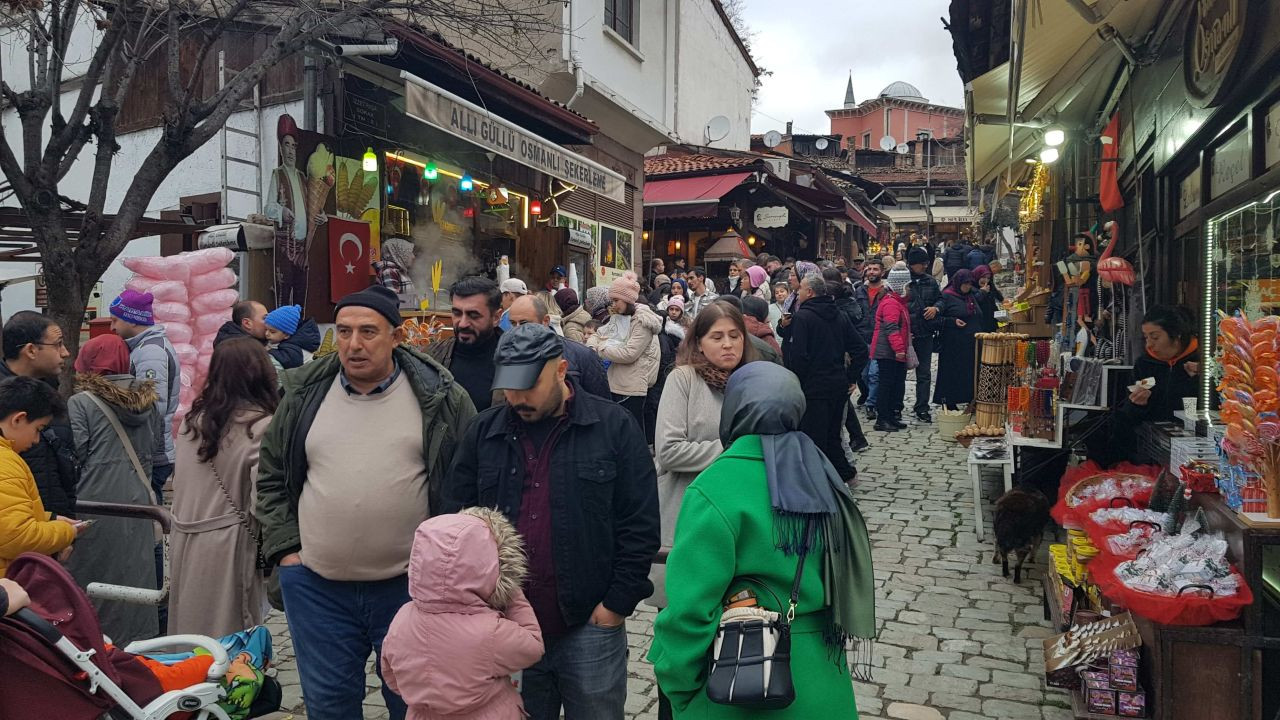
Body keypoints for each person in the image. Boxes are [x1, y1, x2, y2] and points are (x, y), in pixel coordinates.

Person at [255, 285, 476, 720]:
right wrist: (286, 551)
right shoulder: (302, 395)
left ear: (397, 337)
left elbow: (469, 485)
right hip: (316, 588)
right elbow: (272, 476)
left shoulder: (442, 398)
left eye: (368, 332)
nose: (353, 344)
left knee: (416, 704)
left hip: (410, 590)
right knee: (329, 707)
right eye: (343, 331)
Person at [441, 323, 659, 720]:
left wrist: (616, 604)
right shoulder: (482, 432)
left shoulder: (613, 428)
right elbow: (455, 520)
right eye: (509, 386)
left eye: (529, 385)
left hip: (589, 622)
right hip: (506, 624)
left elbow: (639, 523)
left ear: (560, 371)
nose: (517, 397)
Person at [649, 362, 875, 719]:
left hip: (742, 683)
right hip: (822, 682)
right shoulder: (824, 475)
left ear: (734, 409)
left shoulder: (715, 485)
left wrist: (680, 689)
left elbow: (689, 612)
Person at [381, 508, 544, 720]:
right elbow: (533, 646)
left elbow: (392, 674)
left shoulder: (403, 618)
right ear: (491, 565)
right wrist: (512, 592)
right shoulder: (490, 631)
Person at [168, 338, 278, 638]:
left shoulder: (194, 422)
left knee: (189, 630)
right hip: (230, 542)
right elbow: (263, 499)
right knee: (231, 635)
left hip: (186, 536)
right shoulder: (262, 427)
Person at [65, 334, 160, 645]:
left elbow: (75, 453)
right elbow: (155, 450)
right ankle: (138, 646)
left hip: (95, 503)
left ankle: (95, 647)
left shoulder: (82, 403)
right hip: (140, 504)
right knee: (135, 580)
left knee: (92, 582)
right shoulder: (149, 402)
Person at [778, 273, 867, 482]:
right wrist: (850, 377)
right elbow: (860, 349)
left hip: (813, 388)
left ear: (809, 292)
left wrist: (796, 382)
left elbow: (798, 356)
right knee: (832, 435)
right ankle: (845, 474)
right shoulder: (839, 314)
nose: (797, 292)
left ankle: (819, 481)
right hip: (837, 385)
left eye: (800, 289)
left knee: (814, 437)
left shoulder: (804, 317)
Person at [0, 376, 81, 576]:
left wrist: (48, 518)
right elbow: (16, 537)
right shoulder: (6, 462)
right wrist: (66, 533)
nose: (37, 440)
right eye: (38, 429)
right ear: (18, 419)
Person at [0, 312, 76, 518]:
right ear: (31, 350)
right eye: (58, 344)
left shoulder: (49, 391)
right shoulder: (4, 401)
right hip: (19, 537)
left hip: (54, 530)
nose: (66, 352)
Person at [109, 290, 181, 507]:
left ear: (132, 318)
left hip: (152, 452)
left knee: (148, 515)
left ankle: (155, 543)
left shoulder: (150, 352)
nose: (112, 327)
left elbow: (151, 406)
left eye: (115, 320)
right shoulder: (145, 348)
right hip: (153, 449)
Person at [586, 272, 661, 428]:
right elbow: (598, 334)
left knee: (631, 432)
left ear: (627, 299)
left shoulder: (642, 321)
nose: (613, 305)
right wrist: (592, 344)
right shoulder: (620, 317)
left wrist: (600, 349)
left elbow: (629, 354)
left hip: (631, 387)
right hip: (616, 382)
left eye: (616, 300)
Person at [508, 295, 610, 399]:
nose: (517, 329)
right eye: (512, 323)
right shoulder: (507, 356)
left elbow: (601, 404)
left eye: (524, 323)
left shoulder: (583, 356)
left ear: (545, 321)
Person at [428, 277, 504, 412]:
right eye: (457, 313)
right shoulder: (431, 356)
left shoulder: (515, 360)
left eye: (473, 315)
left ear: (496, 317)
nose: (462, 323)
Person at [1121, 306, 1199, 424]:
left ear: (1177, 334)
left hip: (1193, 437)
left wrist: (1199, 378)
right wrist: (1137, 404)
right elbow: (1128, 416)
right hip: (1152, 438)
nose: (1149, 344)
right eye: (1146, 337)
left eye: (1155, 337)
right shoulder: (1144, 364)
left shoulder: (1200, 359)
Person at [824, 268, 870, 453]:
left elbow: (855, 341)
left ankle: (857, 438)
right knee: (844, 401)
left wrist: (852, 376)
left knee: (842, 400)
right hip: (846, 358)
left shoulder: (838, 311)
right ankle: (858, 437)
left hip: (843, 358)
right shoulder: (849, 303)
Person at [872, 265, 913, 432]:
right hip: (888, 351)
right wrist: (899, 349)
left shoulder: (897, 302)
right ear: (900, 285)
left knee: (894, 384)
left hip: (893, 350)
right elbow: (891, 328)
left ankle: (889, 416)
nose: (909, 288)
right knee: (886, 385)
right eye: (907, 285)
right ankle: (882, 419)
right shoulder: (891, 303)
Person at [934, 268, 980, 410]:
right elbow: (937, 318)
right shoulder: (947, 296)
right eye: (965, 284)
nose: (968, 286)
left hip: (970, 343)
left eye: (970, 283)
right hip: (952, 343)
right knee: (951, 372)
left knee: (968, 372)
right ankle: (949, 401)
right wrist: (952, 321)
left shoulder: (970, 295)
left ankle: (969, 399)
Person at [907, 247, 943, 422]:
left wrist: (936, 308)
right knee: (900, 373)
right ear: (913, 265)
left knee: (924, 373)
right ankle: (896, 407)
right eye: (923, 264)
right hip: (907, 334)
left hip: (926, 333)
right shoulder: (904, 282)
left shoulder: (930, 281)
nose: (925, 266)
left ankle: (922, 407)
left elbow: (941, 299)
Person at [853, 259, 886, 419]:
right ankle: (869, 395)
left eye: (875, 269)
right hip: (861, 336)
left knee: (874, 374)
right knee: (864, 374)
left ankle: (872, 404)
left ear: (882, 272)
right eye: (869, 269)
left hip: (879, 337)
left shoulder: (886, 291)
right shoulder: (859, 290)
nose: (872, 272)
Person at [263, 304, 321, 372]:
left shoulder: (294, 347)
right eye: (266, 329)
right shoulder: (292, 342)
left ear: (286, 335)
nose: (267, 334)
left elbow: (287, 360)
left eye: (272, 332)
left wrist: (268, 351)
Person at [973, 265, 1004, 333]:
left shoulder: (989, 286)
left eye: (988, 278)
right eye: (983, 277)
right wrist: (982, 292)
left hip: (990, 324)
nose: (986, 280)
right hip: (979, 325)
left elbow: (992, 303)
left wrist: (999, 316)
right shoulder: (971, 287)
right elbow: (974, 302)